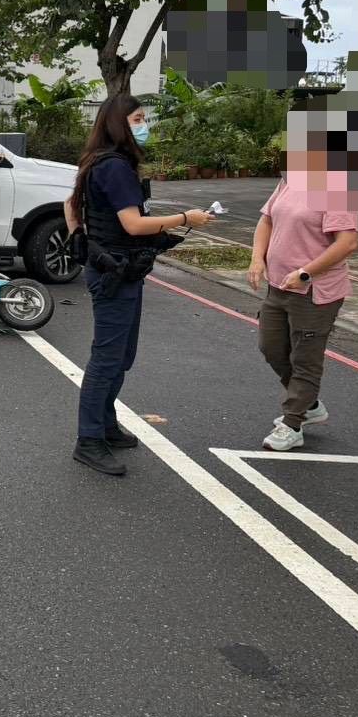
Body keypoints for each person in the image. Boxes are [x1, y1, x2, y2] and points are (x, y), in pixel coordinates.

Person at [63, 94, 212, 476]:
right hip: (115, 272)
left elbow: (70, 204)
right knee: (108, 358)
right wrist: (185, 217)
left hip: (117, 268)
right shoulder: (115, 167)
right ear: (119, 124)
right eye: (139, 119)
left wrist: (81, 237)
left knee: (121, 355)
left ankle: (105, 425)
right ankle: (89, 440)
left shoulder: (98, 161)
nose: (145, 125)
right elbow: (133, 225)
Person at [247, 140, 358, 451]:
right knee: (271, 347)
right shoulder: (290, 179)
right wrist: (258, 258)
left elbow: (347, 243)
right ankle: (309, 405)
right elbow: (266, 219)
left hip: (314, 292)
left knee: (305, 359)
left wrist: (306, 273)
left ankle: (293, 423)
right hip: (278, 285)